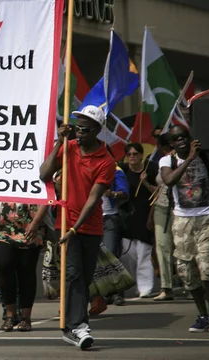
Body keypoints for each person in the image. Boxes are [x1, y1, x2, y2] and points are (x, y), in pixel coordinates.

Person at [39, 105, 115, 350]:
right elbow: (44, 174)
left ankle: (73, 325)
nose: (78, 132)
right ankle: (78, 326)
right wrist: (59, 143)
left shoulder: (106, 161)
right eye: (77, 127)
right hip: (65, 224)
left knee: (83, 277)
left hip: (89, 226)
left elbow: (93, 200)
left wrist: (76, 228)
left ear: (96, 131)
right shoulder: (68, 148)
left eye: (84, 128)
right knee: (73, 274)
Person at [160, 126, 209, 332]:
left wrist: (197, 154)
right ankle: (203, 315)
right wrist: (189, 158)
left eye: (184, 137)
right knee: (187, 273)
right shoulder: (168, 161)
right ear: (171, 144)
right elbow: (169, 180)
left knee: (207, 270)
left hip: (206, 217)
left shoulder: (205, 155)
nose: (181, 141)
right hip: (182, 221)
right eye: (176, 139)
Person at [0, 203, 46, 332]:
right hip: (3, 228)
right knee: (3, 265)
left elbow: (47, 198)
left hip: (31, 226)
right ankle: (10, 315)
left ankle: (26, 318)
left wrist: (36, 222)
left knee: (26, 271)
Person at [120, 143, 157, 298]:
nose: (132, 157)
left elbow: (159, 193)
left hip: (144, 215)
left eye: (135, 154)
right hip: (127, 217)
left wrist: (146, 182)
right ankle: (137, 281)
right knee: (129, 254)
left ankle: (145, 287)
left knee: (143, 253)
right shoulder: (123, 171)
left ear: (142, 155)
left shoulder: (151, 169)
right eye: (129, 154)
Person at [99, 164, 129, 307]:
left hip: (110, 218)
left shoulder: (116, 170)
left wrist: (113, 194)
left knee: (111, 254)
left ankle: (118, 293)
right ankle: (106, 293)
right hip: (91, 219)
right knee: (97, 258)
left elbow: (124, 192)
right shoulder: (84, 167)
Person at [153, 133, 176, 301]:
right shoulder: (163, 161)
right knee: (162, 246)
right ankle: (166, 287)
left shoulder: (183, 159)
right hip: (161, 207)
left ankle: (192, 284)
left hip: (181, 207)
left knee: (186, 248)